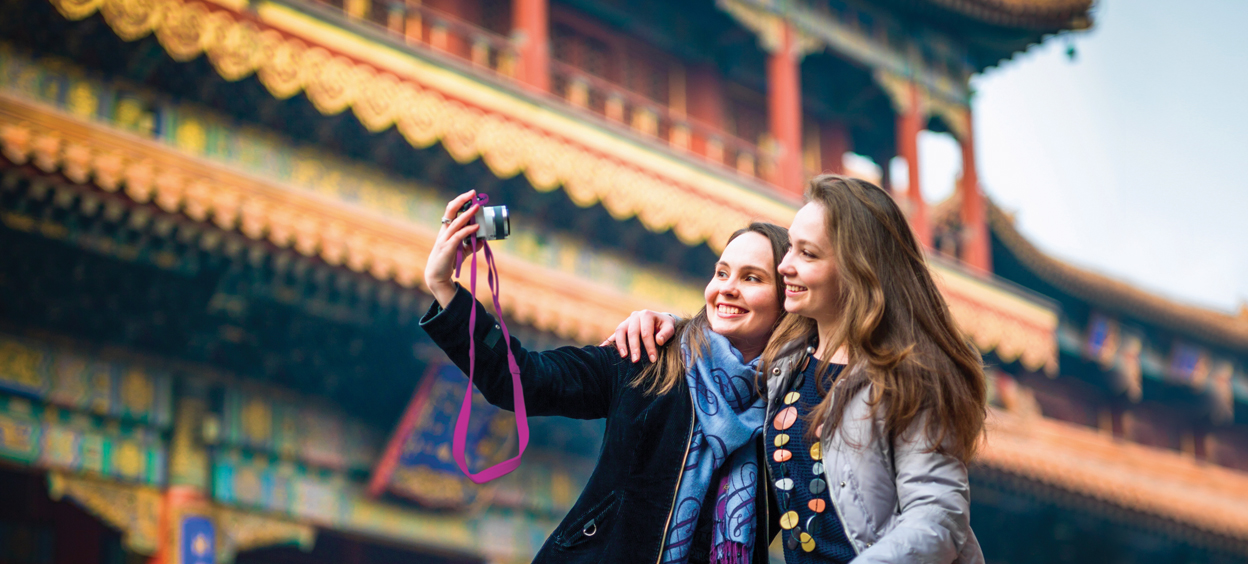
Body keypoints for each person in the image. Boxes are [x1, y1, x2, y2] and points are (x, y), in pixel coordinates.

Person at [611, 174, 987, 564]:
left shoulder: (909, 376)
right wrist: (668, 327)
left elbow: (938, 520)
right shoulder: (787, 360)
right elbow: (728, 348)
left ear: (859, 269)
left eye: (807, 254)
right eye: (790, 247)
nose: (785, 266)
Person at [420, 190, 792, 564]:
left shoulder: (794, 412)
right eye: (722, 272)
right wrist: (445, 289)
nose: (727, 287)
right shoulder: (650, 358)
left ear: (787, 300)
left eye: (752, 278)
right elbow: (524, 379)